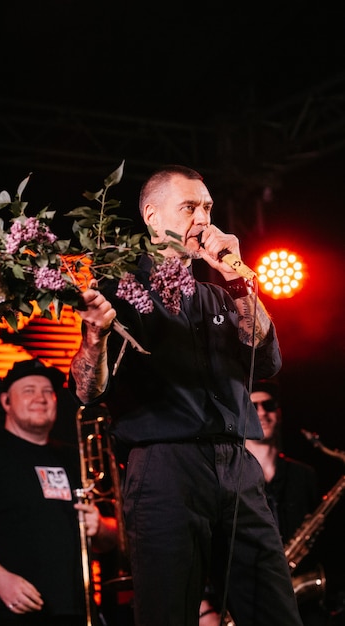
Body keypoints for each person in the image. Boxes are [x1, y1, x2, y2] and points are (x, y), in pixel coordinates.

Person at [69, 164, 303, 626]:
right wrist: (94, 338)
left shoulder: (219, 295)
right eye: (190, 207)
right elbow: (86, 390)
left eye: (209, 207)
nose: (203, 218)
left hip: (236, 467)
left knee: (276, 612)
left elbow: (268, 361)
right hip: (164, 469)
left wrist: (236, 275)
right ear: (153, 217)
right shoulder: (119, 291)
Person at [0, 358, 117, 626]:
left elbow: (112, 538)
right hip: (13, 613)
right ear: (6, 402)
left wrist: (101, 527)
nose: (41, 398)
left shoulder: (75, 457)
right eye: (28, 390)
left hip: (78, 612)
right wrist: (1, 580)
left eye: (48, 391)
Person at [199, 379, 325, 626]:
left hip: (302, 607)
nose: (262, 413)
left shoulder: (304, 476)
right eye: (253, 406)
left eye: (268, 405)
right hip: (240, 603)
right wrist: (204, 611)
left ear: (279, 412)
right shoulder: (221, 477)